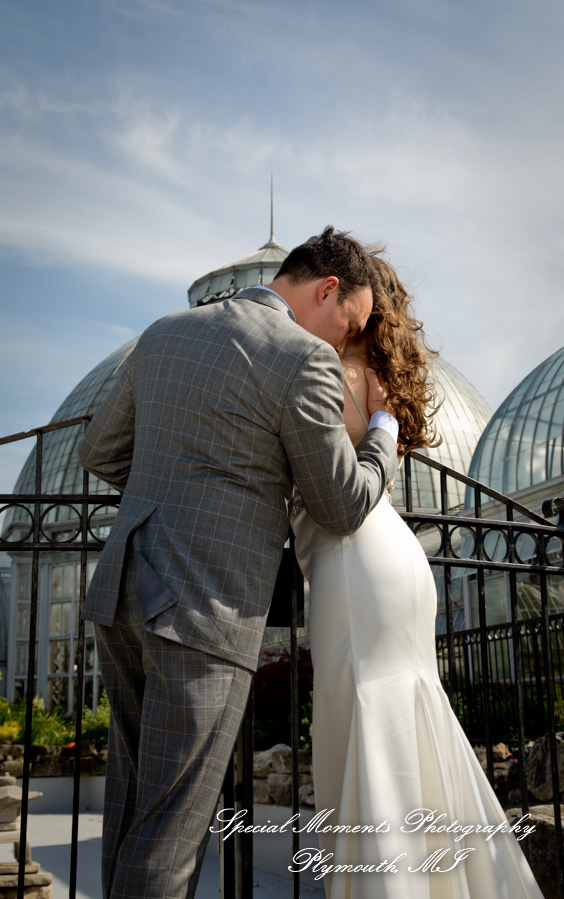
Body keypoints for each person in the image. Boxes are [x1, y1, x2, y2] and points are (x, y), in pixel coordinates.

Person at [78, 226, 399, 899]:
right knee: (170, 836)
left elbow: (99, 451)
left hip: (123, 589)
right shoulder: (302, 358)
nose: (345, 340)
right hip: (204, 607)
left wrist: (179, 488)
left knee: (132, 811)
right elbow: (342, 504)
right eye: (352, 324)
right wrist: (382, 435)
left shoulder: (163, 333)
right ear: (328, 289)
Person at [292, 257, 544, 898]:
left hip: (351, 565)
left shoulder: (319, 367)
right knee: (406, 718)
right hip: (394, 560)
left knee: (366, 721)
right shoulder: (379, 377)